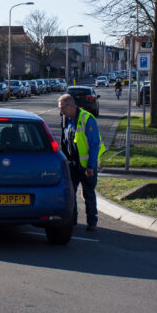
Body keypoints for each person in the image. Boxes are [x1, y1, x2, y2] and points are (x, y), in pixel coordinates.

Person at [58, 93, 106, 231]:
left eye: (62, 108)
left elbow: (94, 145)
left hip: (86, 166)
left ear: (71, 106)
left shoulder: (87, 119)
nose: (61, 112)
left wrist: (90, 166)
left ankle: (92, 221)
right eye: (59, 109)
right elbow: (64, 142)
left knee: (88, 193)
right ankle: (72, 220)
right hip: (72, 164)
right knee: (70, 193)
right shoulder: (66, 119)